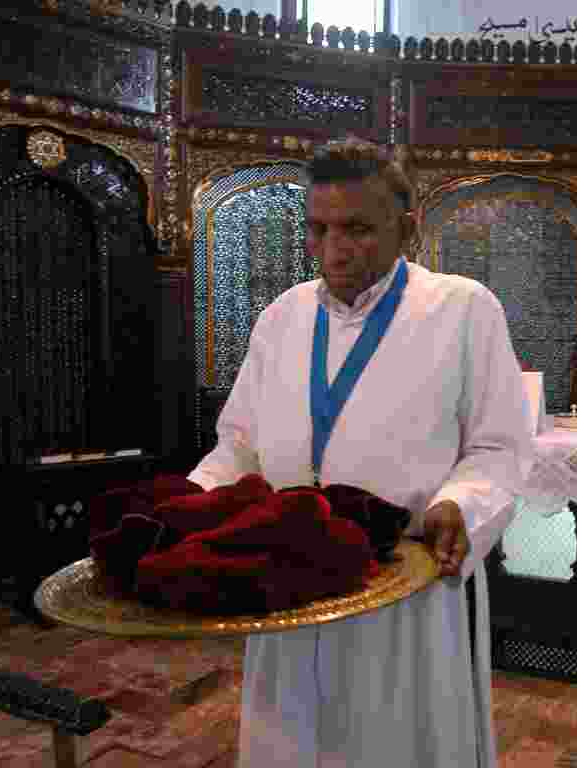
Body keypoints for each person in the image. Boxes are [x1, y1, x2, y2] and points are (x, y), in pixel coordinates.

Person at [189, 137, 533, 768]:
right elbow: (238, 445)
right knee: (290, 742)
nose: (333, 249)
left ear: (407, 228)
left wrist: (461, 505)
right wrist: (187, 509)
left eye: (357, 229)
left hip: (403, 583)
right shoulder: (282, 317)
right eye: (318, 229)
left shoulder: (463, 309)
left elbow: (500, 447)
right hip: (288, 577)